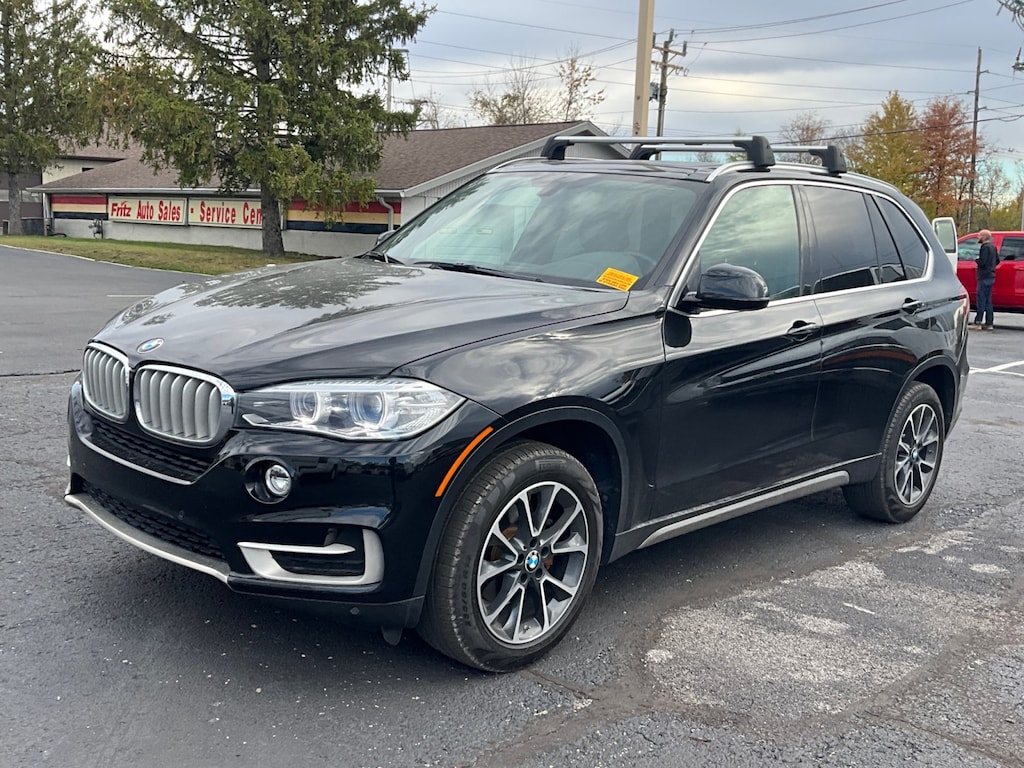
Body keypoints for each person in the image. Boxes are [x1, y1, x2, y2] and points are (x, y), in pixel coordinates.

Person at [969, 229, 998, 331]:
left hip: (984, 277)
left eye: (979, 235)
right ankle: (989, 323)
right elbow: (997, 261)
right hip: (991, 276)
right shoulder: (993, 247)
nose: (978, 237)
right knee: (988, 301)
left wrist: (977, 260)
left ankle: (978, 322)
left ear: (984, 237)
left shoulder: (985, 247)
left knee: (981, 299)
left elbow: (982, 262)